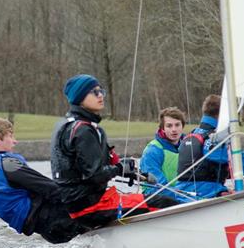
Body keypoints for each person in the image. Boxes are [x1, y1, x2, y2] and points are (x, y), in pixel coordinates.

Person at [50, 74, 178, 228]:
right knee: (163, 201)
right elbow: (95, 175)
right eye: (94, 92)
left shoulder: (67, 125)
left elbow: (83, 167)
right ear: (80, 97)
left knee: (151, 198)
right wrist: (119, 169)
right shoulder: (84, 130)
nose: (100, 96)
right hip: (92, 207)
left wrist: (127, 170)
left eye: (101, 91)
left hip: (78, 205)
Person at [0, 117, 88, 243]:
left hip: (45, 229)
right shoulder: (7, 164)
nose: (15, 141)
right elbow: (50, 188)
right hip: (55, 219)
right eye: (10, 136)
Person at [176, 95, 244, 199]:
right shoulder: (215, 139)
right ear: (223, 115)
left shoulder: (191, 135)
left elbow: (205, 165)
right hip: (205, 193)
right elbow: (241, 161)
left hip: (182, 193)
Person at [139, 107, 186, 198]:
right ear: (162, 128)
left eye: (177, 125)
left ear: (182, 126)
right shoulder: (152, 151)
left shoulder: (189, 146)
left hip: (183, 196)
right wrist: (180, 197)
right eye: (169, 126)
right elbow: (157, 185)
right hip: (156, 198)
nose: (174, 129)